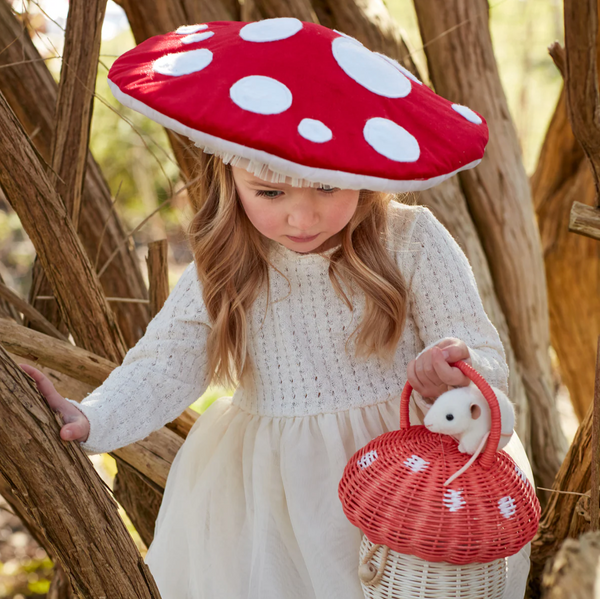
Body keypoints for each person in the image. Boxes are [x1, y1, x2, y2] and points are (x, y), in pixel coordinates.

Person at [20, 18, 534, 599]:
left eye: (327, 188)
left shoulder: (409, 241)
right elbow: (169, 361)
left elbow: (480, 353)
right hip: (272, 498)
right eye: (270, 192)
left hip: (403, 478)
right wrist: (95, 417)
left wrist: (455, 375)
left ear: (365, 174)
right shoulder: (228, 260)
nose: (300, 218)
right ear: (227, 171)